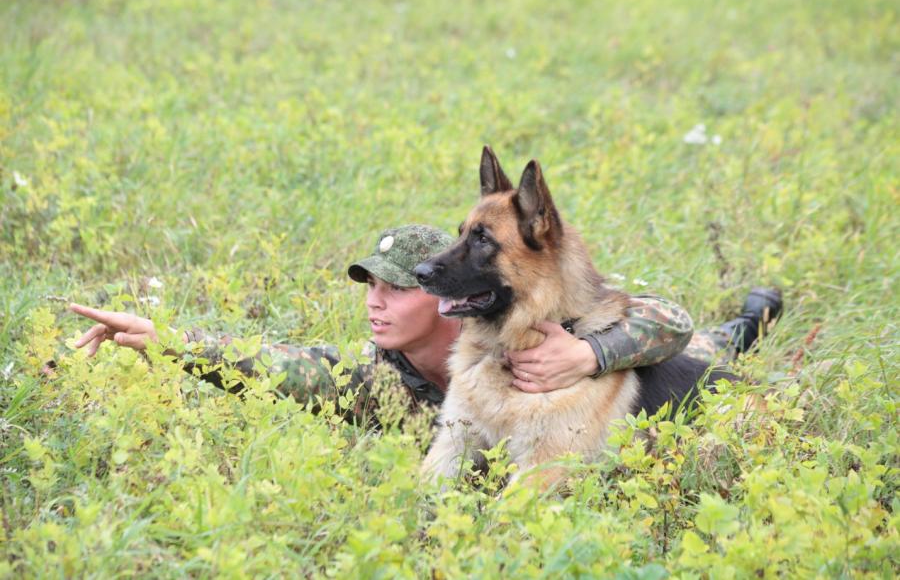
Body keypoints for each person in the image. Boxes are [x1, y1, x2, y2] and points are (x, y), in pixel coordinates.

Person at [69, 224, 782, 421]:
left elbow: (667, 321)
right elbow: (279, 366)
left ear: (445, 296)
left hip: (651, 378)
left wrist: (590, 356)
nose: (375, 302)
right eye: (367, 286)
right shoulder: (380, 380)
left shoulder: (524, 327)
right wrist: (166, 343)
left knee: (712, 351)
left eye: (395, 288)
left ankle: (750, 324)